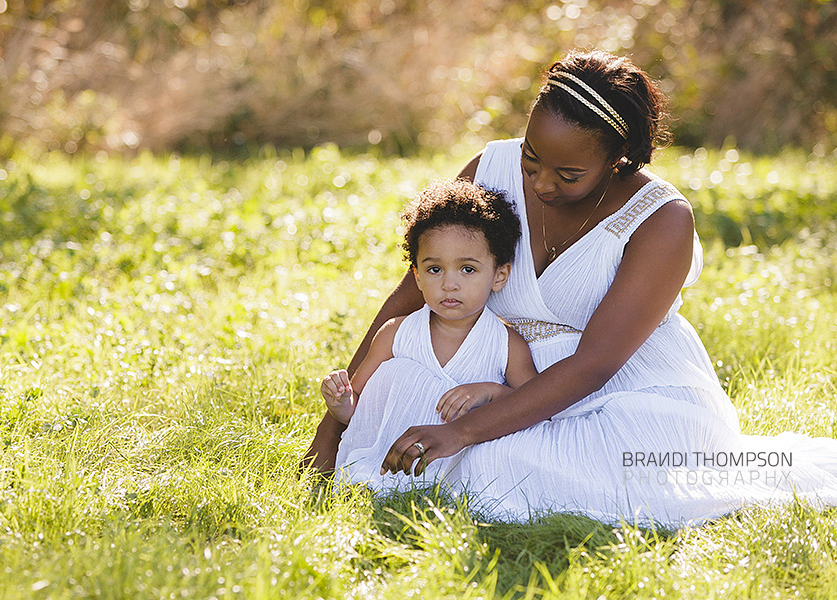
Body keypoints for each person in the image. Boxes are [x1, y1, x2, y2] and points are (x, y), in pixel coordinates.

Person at [305, 50, 837, 525]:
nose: (539, 183)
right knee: (412, 413)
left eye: (568, 173)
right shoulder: (491, 168)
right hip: (496, 377)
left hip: (625, 392)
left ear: (619, 157)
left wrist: (466, 432)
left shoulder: (661, 219)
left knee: (497, 466)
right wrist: (330, 430)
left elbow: (595, 363)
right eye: (532, 157)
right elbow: (408, 298)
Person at [320, 179, 537, 487]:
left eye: (468, 269)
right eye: (435, 270)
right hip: (382, 465)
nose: (450, 284)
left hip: (459, 471)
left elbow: (533, 407)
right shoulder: (395, 334)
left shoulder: (506, 344)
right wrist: (339, 401)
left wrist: (491, 391)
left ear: (499, 275)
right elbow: (358, 412)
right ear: (418, 277)